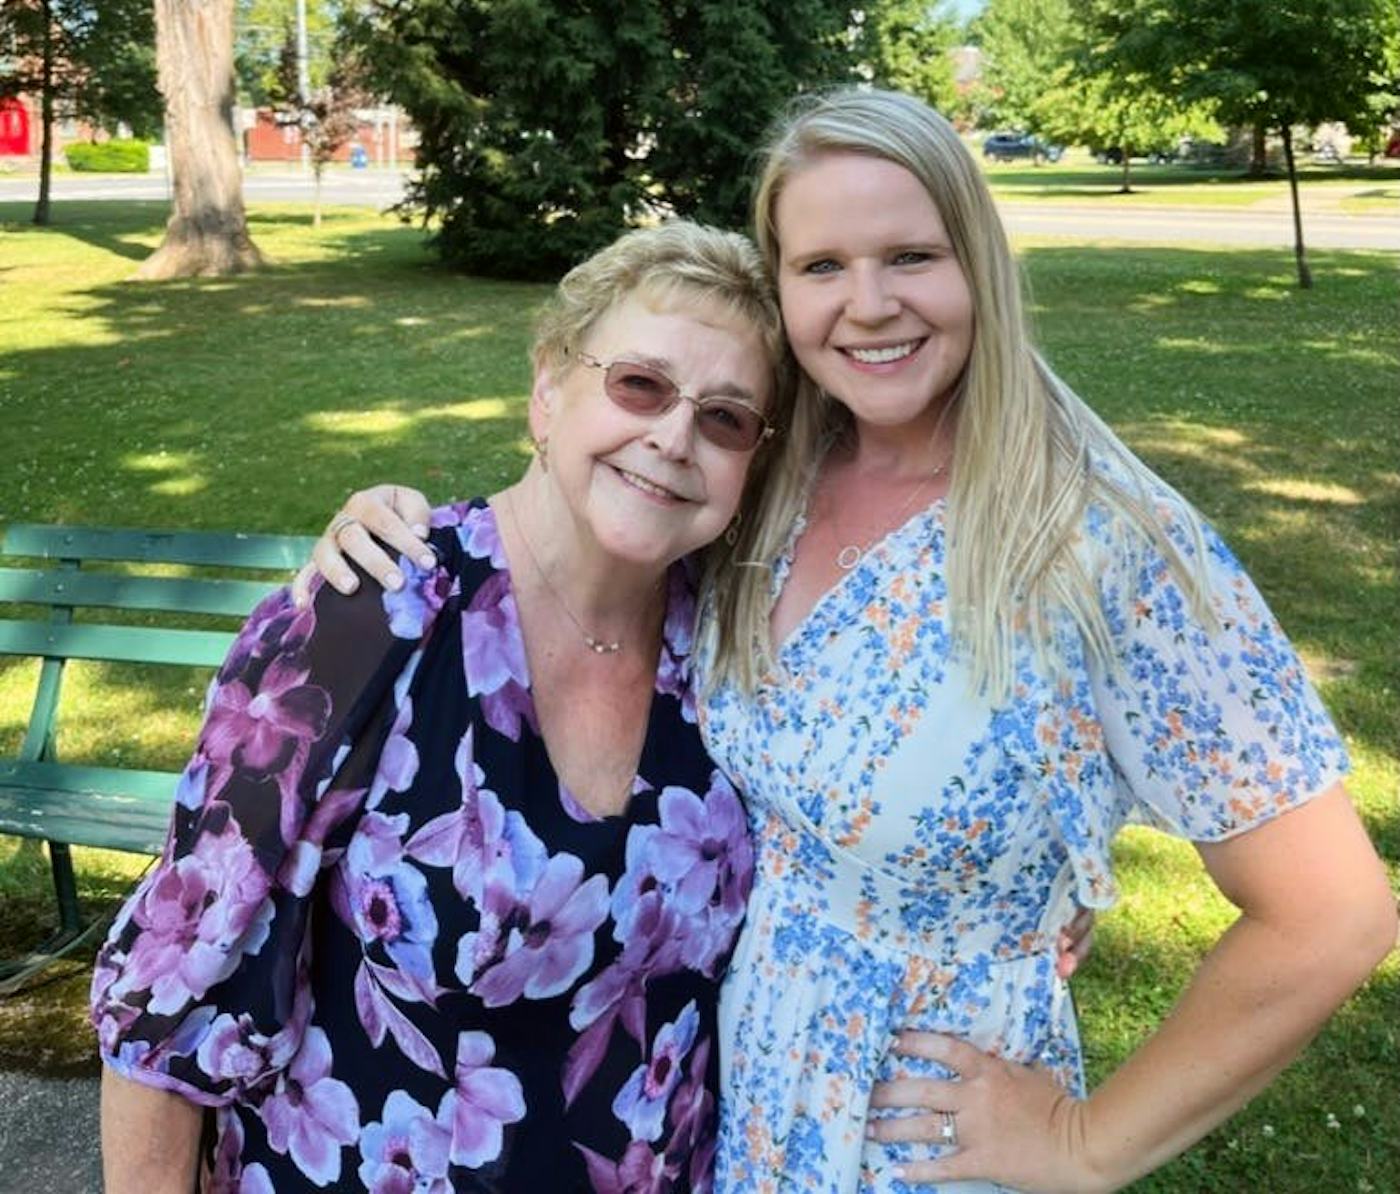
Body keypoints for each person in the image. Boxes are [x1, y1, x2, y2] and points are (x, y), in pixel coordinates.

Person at [303, 88, 1396, 1193]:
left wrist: (1084, 1143)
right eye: (820, 266)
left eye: (910, 256)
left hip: (923, 1138)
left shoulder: (1099, 544)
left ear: (977, 262)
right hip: (737, 1111)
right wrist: (409, 538)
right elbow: (598, 530)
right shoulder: (768, 479)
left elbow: (1330, 916)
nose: (866, 306)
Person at [92, 221, 794, 1193]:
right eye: (639, 384)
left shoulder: (726, 644)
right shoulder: (368, 617)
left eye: (724, 418)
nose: (673, 436)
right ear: (548, 388)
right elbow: (166, 1004)